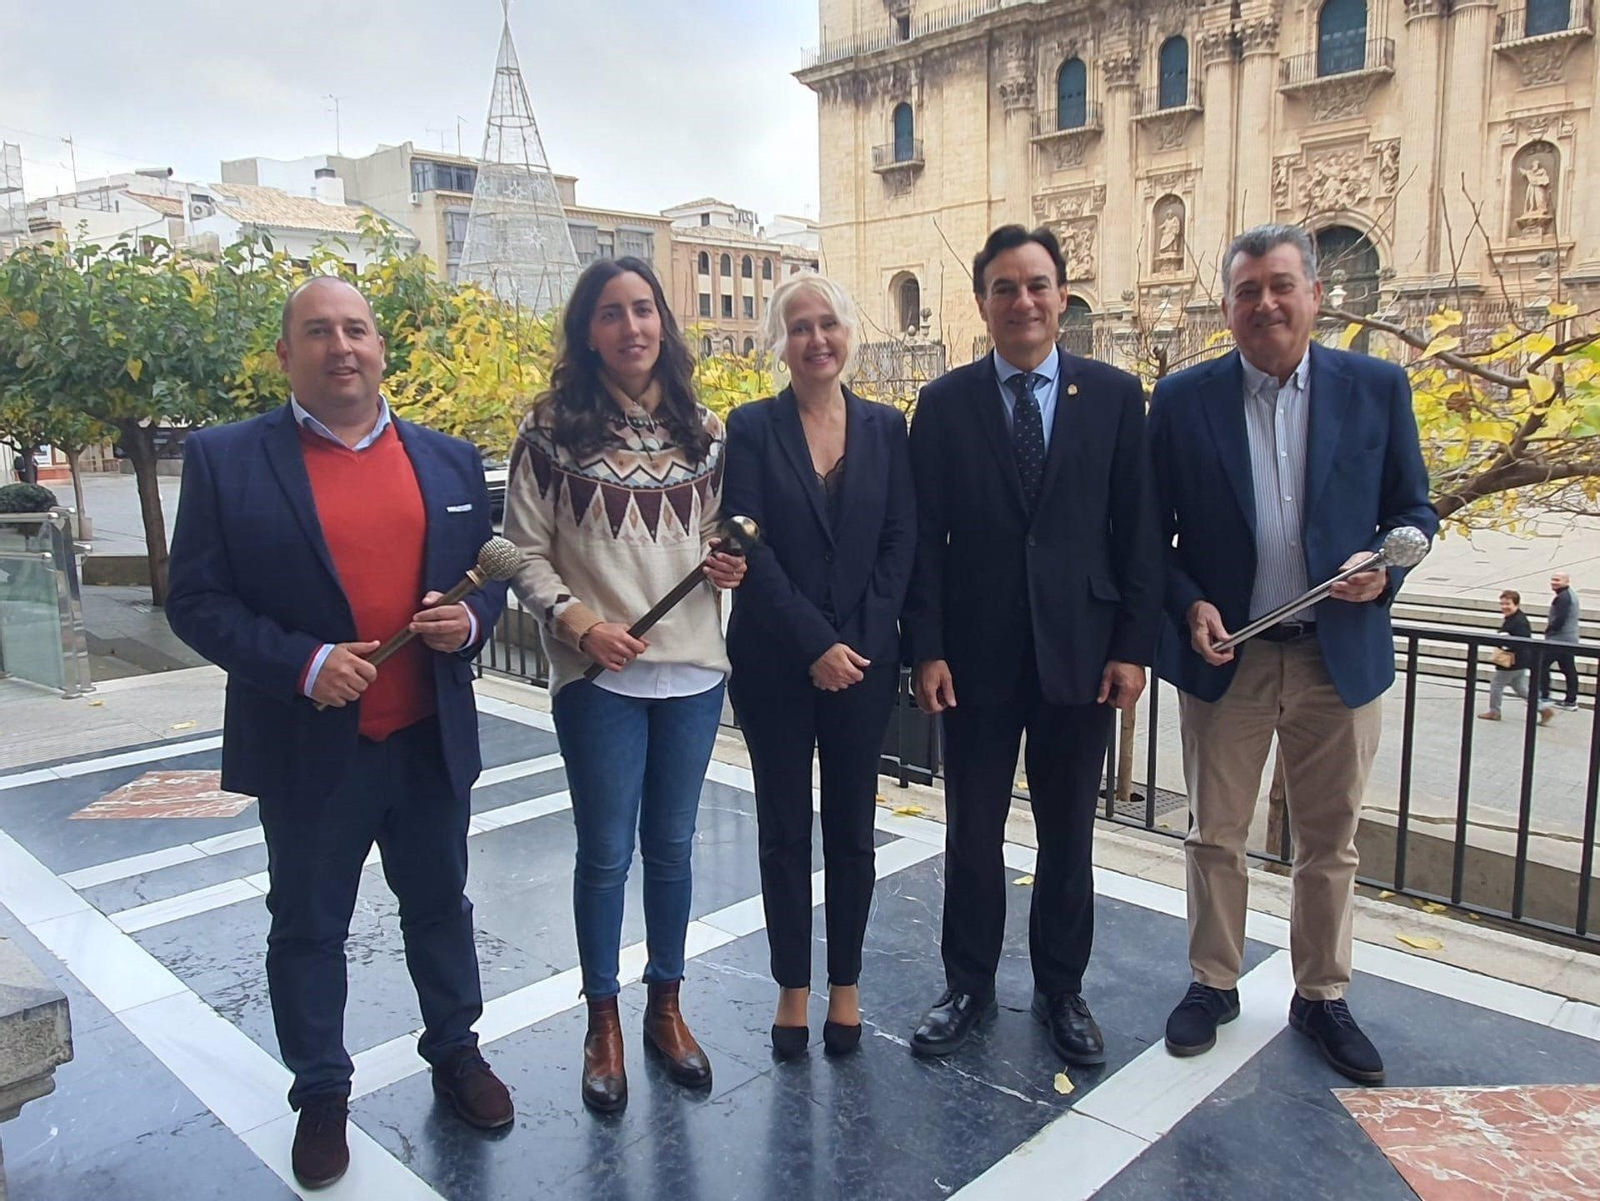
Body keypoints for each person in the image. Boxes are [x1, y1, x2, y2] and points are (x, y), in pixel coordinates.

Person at [166, 276, 512, 1190]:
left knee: (441, 907)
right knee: (309, 927)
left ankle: (456, 1051)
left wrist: (469, 626)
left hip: (426, 740)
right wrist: (303, 663)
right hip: (310, 748)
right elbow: (196, 601)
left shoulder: (447, 460)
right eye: (317, 331)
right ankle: (321, 1093)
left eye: (355, 328)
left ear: (380, 348)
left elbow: (490, 579)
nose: (340, 346)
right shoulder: (227, 460)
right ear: (287, 354)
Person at [1148, 224, 1438, 1085]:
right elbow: (1150, 539)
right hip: (1228, 655)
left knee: (1330, 841)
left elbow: (1416, 515)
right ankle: (1214, 980)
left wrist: (1382, 570)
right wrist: (1188, 600)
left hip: (1335, 655)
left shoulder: (1378, 387)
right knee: (1215, 835)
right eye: (1247, 291)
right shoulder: (1185, 397)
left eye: (1281, 286)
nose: (1265, 303)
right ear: (1229, 306)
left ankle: (1321, 993)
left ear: (1315, 294)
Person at [901, 225, 1160, 1064]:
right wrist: (926, 648)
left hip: (1080, 656)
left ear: (1061, 295)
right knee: (972, 831)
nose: (1023, 301)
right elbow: (922, 539)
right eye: (1005, 287)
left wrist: (1132, 647)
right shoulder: (942, 405)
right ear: (983, 303)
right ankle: (968, 984)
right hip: (973, 659)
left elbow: (1140, 534)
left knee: (1067, 835)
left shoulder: (1117, 397)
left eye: (1038, 285)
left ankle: (1062, 989)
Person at [502, 256, 746, 1113]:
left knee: (673, 850)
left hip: (691, 673)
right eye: (612, 312)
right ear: (589, 329)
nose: (632, 326)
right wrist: (577, 623)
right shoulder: (548, 432)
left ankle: (666, 1006)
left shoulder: (707, 432)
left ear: (663, 324)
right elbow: (519, 551)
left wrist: (729, 565)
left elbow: (721, 545)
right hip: (599, 674)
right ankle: (601, 1019)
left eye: (645, 309)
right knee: (606, 855)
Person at [722, 274, 916, 1059]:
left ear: (848, 334)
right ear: (781, 341)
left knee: (852, 830)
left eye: (828, 323)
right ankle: (791, 989)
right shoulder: (752, 427)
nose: (816, 339)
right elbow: (747, 546)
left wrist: (855, 646)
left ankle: (847, 985)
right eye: (799, 327)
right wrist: (814, 644)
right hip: (775, 662)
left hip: (863, 664)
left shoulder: (885, 427)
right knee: (781, 832)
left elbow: (900, 541)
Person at [1479, 590, 1553, 724]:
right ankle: (1543, 709)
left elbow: (1522, 641)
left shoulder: (1518, 621)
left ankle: (1494, 711)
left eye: (1507, 604)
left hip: (1513, 660)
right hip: (1520, 661)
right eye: (1502, 604)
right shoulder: (1515, 618)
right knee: (1520, 687)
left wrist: (1505, 643)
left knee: (1497, 684)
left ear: (1516, 604)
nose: (1504, 607)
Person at [1539, 571, 1582, 711]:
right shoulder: (1569, 594)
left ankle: (1544, 696)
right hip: (1569, 638)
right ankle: (1571, 700)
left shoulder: (1563, 598)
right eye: (1553, 579)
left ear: (1566, 581)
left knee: (1541, 664)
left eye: (1557, 580)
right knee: (1568, 668)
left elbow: (1560, 619)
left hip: (1559, 639)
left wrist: (1549, 630)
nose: (1554, 582)